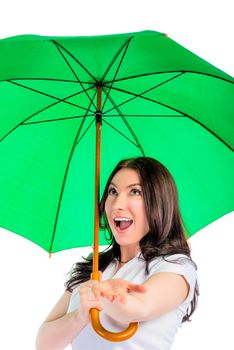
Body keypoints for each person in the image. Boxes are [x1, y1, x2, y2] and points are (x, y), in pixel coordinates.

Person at [36, 156, 199, 350]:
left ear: (159, 202)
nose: (117, 204)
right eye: (113, 191)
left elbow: (139, 307)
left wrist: (104, 294)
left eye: (135, 192)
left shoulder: (176, 266)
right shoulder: (95, 266)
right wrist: (79, 316)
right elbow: (45, 343)